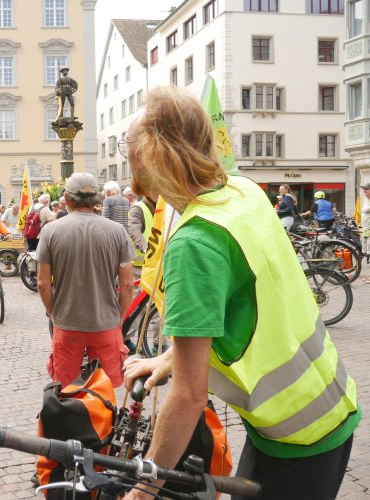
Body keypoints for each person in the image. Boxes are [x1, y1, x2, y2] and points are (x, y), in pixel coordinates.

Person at [121, 86, 359, 500]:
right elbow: (244, 303)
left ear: (151, 157)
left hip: (296, 436)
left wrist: (142, 489)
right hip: (323, 408)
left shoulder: (196, 242)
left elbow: (189, 396)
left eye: (129, 153)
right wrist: (169, 356)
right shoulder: (243, 192)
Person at [35, 172, 134, 388]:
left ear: (67, 199)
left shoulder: (50, 231)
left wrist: (54, 314)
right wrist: (119, 317)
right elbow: (127, 284)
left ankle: (71, 420)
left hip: (68, 322)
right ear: (97, 200)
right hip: (105, 323)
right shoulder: (117, 231)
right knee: (105, 389)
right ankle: (102, 420)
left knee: (66, 388)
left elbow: (42, 283)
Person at [127, 193, 156, 276]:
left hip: (155, 265)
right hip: (140, 267)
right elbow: (134, 229)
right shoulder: (137, 208)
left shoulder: (161, 208)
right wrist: (145, 248)